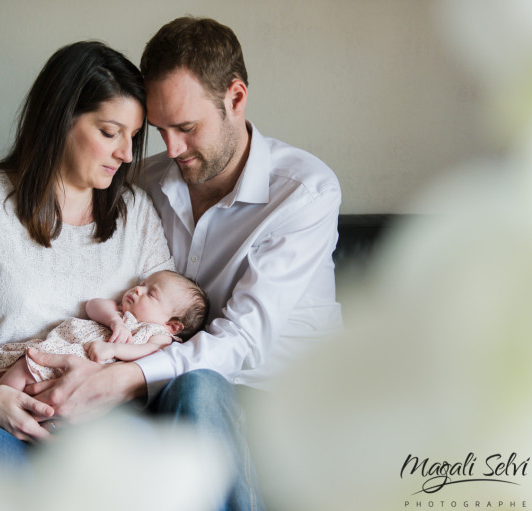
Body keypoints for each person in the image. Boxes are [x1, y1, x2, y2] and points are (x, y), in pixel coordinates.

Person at [24, 17, 343, 510]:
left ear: (235, 99)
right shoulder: (145, 184)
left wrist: (122, 378)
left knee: (196, 387)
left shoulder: (304, 193)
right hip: (165, 378)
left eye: (187, 128)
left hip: (271, 395)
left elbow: (243, 342)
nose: (171, 149)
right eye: (160, 130)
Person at [0, 40, 175, 448]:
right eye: (109, 132)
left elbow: (171, 336)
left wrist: (108, 385)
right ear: (60, 119)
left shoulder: (135, 214)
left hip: (95, 430)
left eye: (134, 136)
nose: (126, 154)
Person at [0, 270, 208, 392]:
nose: (137, 290)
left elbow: (145, 352)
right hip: (55, 345)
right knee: (7, 363)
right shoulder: (120, 314)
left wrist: (113, 347)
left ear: (173, 325)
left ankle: (1, 399)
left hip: (76, 365)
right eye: (142, 285)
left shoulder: (159, 335)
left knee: (24, 368)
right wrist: (115, 320)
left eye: (151, 293)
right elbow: (93, 305)